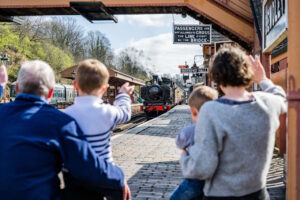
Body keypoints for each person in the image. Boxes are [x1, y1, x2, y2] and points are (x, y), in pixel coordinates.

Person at [0, 60, 130, 200]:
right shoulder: (61, 122)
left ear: (17, 88)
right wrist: (119, 177)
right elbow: (88, 169)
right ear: (50, 93)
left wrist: (1, 87)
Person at [180, 46, 287, 200]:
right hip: (258, 193)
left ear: (216, 76)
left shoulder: (211, 111)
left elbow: (202, 168)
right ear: (247, 72)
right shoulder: (268, 103)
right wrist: (263, 79)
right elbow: (281, 97)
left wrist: (184, 156)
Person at [64, 59, 134, 199]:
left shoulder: (66, 115)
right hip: (103, 174)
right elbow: (125, 113)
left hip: (73, 177)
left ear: (75, 85)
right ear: (104, 88)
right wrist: (123, 95)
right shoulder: (107, 112)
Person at [169, 86, 218, 200]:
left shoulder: (190, 131)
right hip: (215, 180)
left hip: (195, 179)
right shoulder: (217, 128)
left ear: (193, 111)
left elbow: (179, 142)